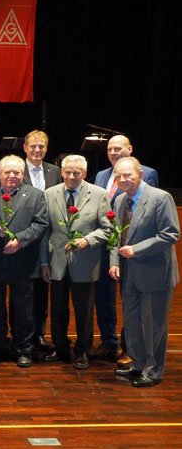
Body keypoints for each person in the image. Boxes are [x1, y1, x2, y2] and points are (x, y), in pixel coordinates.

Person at [109, 156, 178, 387]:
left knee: (153, 325)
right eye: (118, 176)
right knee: (131, 322)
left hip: (155, 273)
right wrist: (115, 262)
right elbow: (116, 236)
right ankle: (138, 363)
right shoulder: (120, 200)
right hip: (128, 273)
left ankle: (154, 370)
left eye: (128, 175)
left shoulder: (160, 198)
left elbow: (170, 234)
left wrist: (136, 250)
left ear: (139, 174)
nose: (123, 179)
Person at [40, 155, 112, 370]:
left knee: (84, 311)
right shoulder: (49, 194)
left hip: (85, 263)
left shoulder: (99, 194)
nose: (72, 176)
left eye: (76, 172)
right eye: (68, 172)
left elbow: (108, 229)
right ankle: (60, 348)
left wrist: (88, 240)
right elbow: (45, 231)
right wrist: (44, 263)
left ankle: (83, 351)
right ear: (61, 172)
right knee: (57, 309)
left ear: (85, 173)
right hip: (57, 263)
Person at [91, 135, 159, 365]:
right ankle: (108, 342)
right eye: (110, 149)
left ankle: (130, 347)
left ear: (130, 149)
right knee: (104, 297)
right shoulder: (101, 175)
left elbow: (147, 212)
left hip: (131, 248)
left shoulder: (147, 173)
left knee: (130, 300)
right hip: (105, 246)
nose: (113, 152)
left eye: (118, 148)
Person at [0, 155, 48, 368]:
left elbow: (41, 223)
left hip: (23, 261)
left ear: (22, 174)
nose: (11, 175)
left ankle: (23, 348)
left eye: (16, 172)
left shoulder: (36, 195)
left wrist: (20, 240)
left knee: (24, 309)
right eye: (7, 172)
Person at [21, 130, 61, 354]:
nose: (37, 150)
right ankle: (21, 333)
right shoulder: (16, 168)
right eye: (33, 146)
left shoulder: (54, 171)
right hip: (24, 236)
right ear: (25, 148)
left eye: (41, 146)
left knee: (42, 290)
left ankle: (40, 333)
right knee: (23, 291)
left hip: (48, 237)